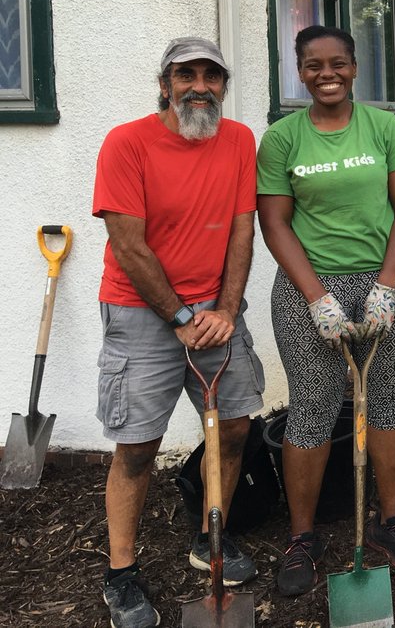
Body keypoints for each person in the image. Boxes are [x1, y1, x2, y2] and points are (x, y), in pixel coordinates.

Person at [93, 36, 264, 628]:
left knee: (237, 427)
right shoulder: (127, 143)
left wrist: (225, 307)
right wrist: (183, 319)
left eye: (211, 76)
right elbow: (128, 246)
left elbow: (242, 231)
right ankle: (120, 573)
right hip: (143, 312)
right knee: (137, 446)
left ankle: (207, 537)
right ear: (164, 83)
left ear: (222, 85)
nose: (199, 85)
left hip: (217, 308)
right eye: (185, 74)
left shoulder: (239, 140)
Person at [257, 25, 395, 596]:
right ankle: (302, 537)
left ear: (355, 69)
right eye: (313, 65)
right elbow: (275, 222)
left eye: (337, 64)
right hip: (310, 285)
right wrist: (315, 296)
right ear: (300, 72)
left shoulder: (384, 127)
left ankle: (392, 520)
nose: (326, 74)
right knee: (312, 402)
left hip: (387, 277)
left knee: (388, 394)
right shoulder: (282, 138)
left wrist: (387, 285)